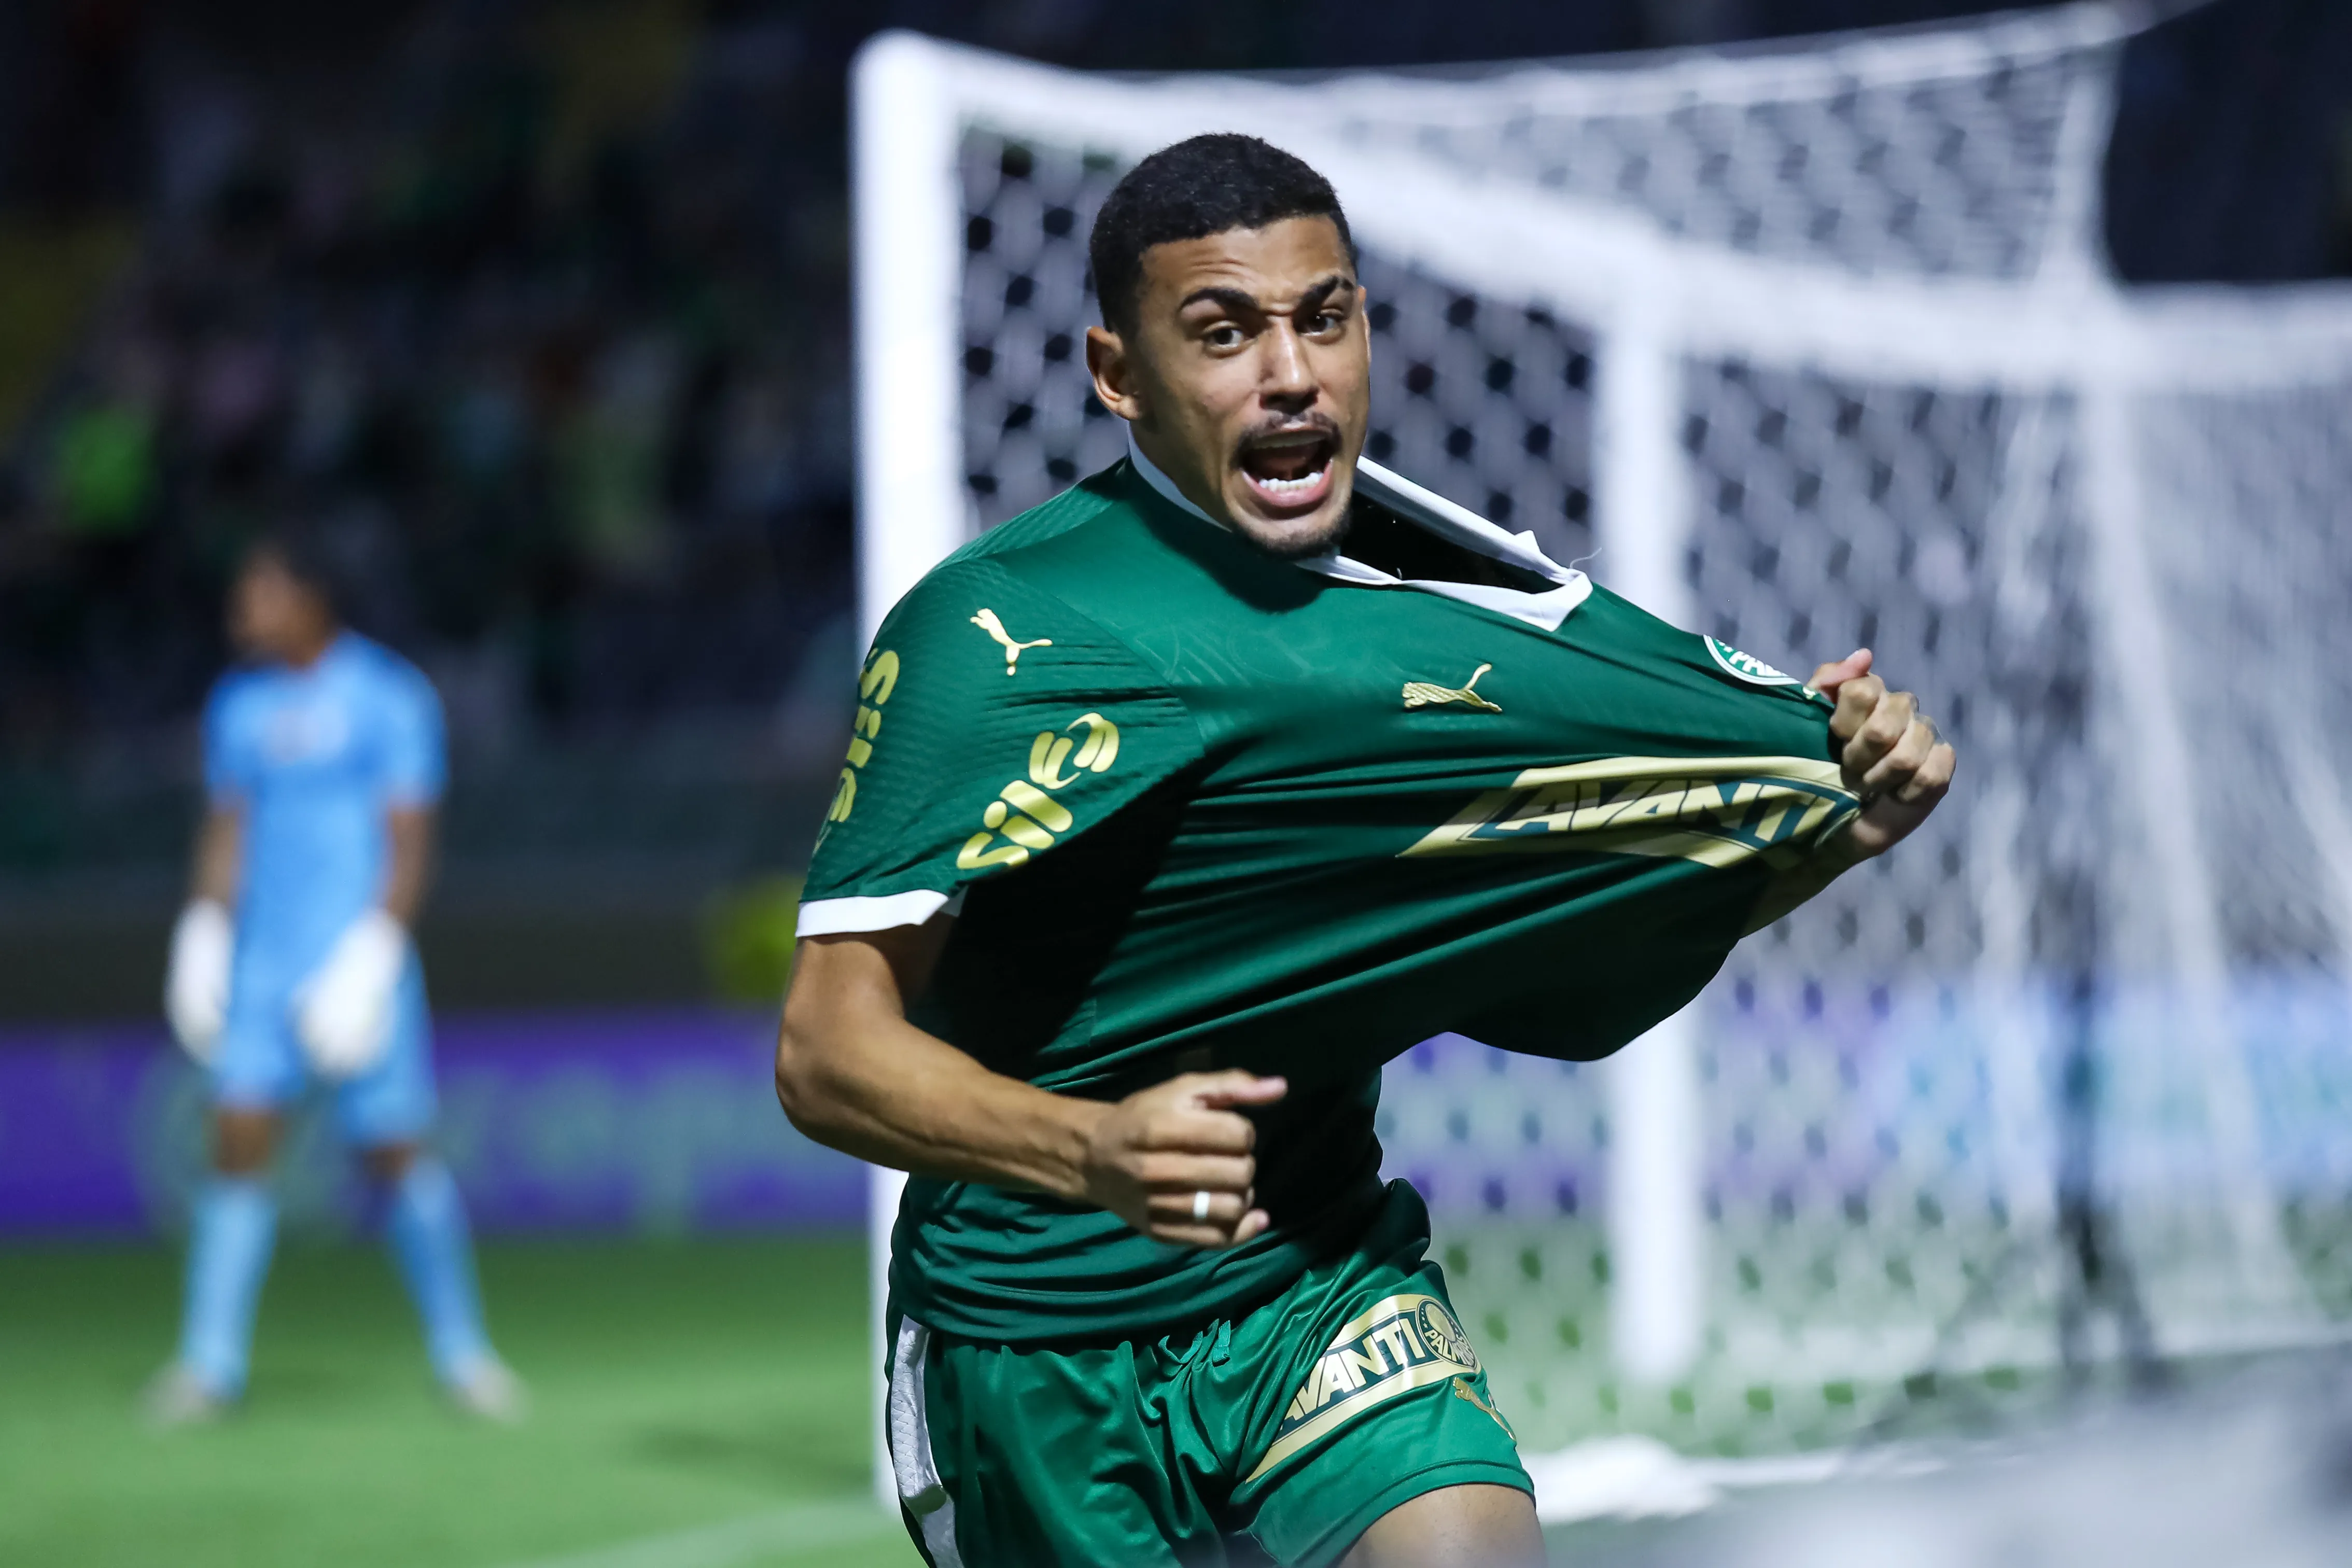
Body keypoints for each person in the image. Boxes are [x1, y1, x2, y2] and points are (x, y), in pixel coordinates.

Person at [776, 134, 1953, 1567]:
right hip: (1033, 1352)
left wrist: (1829, 826)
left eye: (1325, 317)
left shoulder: (1428, 615)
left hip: (1315, 1278)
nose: (1291, 374)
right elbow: (828, 1051)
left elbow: (1562, 924)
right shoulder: (999, 636)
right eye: (1223, 333)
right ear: (1116, 373)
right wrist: (1092, 1149)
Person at [147, 534, 521, 1424]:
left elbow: (411, 838)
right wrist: (202, 931)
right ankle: (209, 1365)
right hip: (262, 967)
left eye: (261, 590)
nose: (244, 609)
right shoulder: (238, 705)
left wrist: (373, 955)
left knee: (393, 1154)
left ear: (313, 597)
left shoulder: (388, 696)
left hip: (358, 963)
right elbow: (226, 827)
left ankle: (464, 1354)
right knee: (235, 1140)